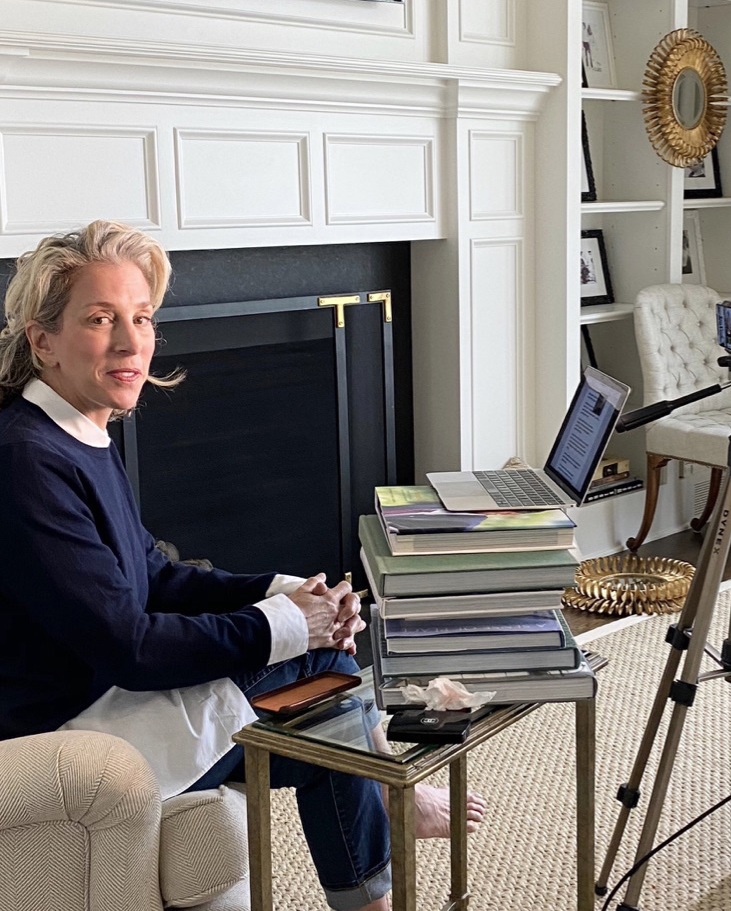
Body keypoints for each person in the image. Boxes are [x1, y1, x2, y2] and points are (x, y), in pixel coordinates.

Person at [0, 220, 486, 911]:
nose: (129, 340)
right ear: (41, 339)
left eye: (141, 317)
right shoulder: (27, 460)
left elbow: (157, 578)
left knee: (331, 724)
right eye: (101, 318)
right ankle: (385, 799)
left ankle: (372, 845)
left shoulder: (77, 430)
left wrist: (284, 591)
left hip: (105, 696)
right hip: (67, 732)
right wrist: (292, 625)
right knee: (322, 670)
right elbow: (127, 646)